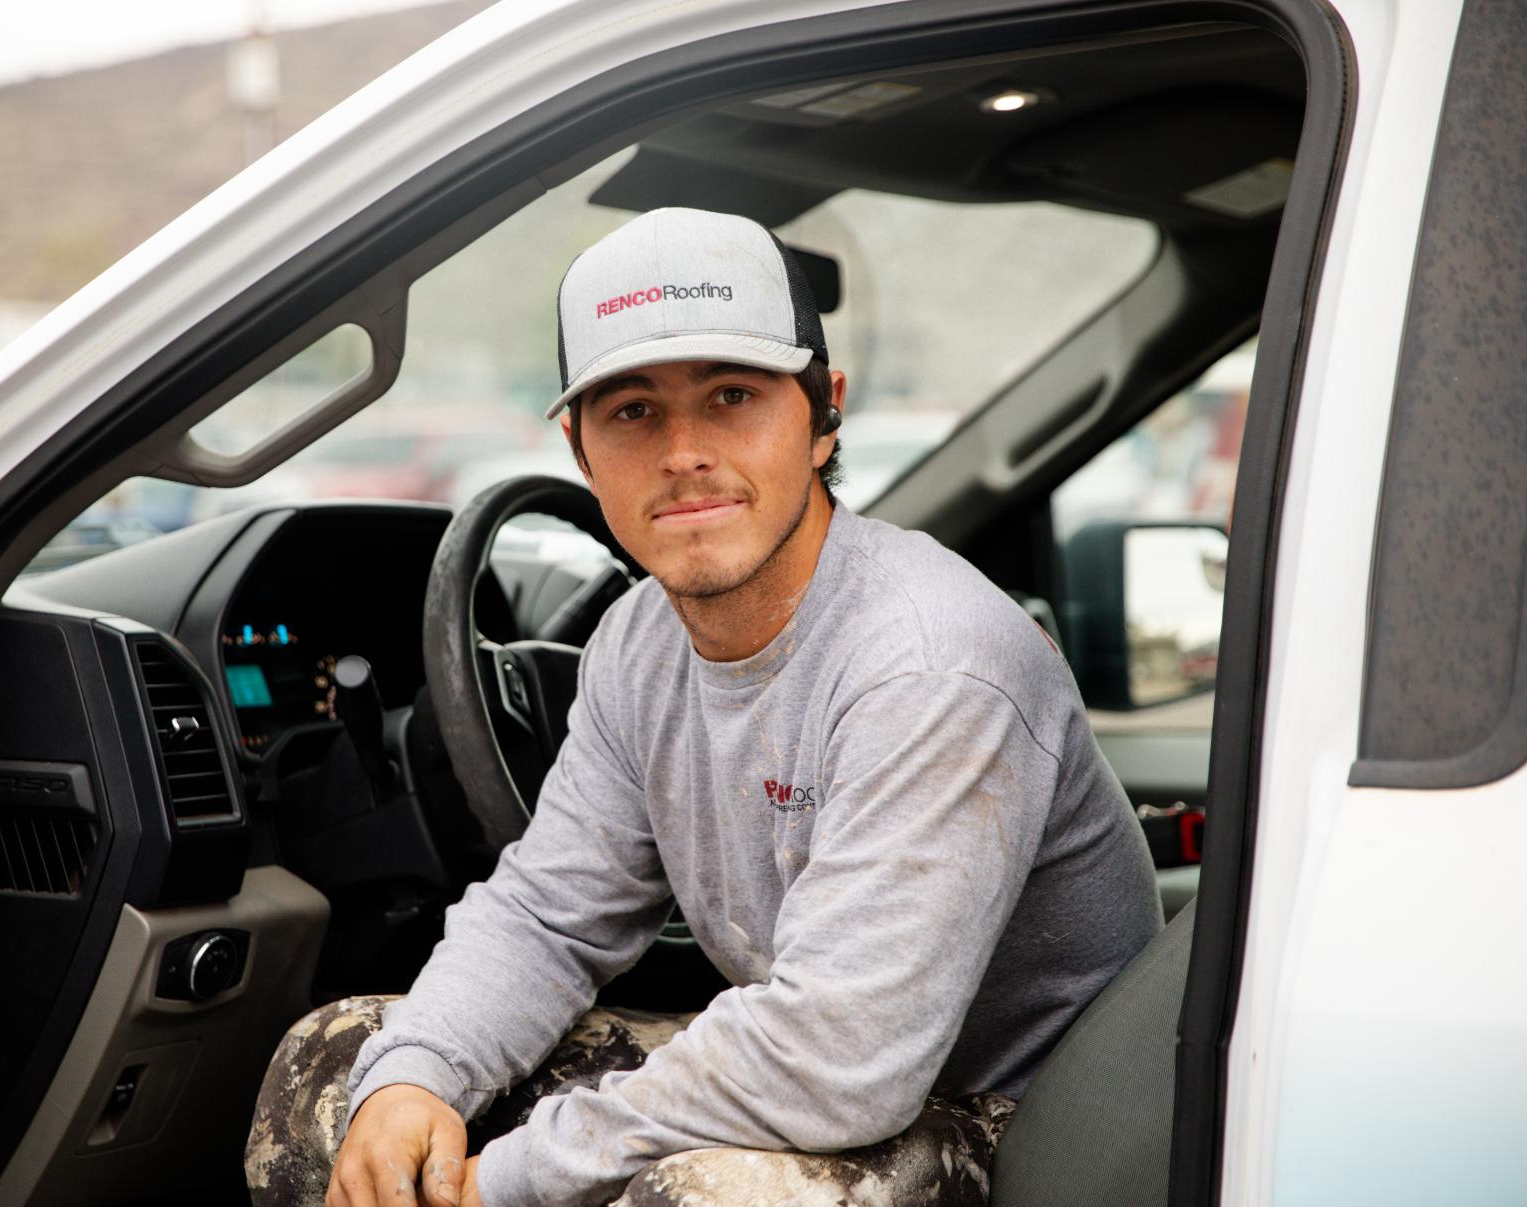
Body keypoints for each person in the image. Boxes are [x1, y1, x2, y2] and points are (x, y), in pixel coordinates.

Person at [246, 206, 1161, 1207]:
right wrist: (416, 1077)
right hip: (832, 1062)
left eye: (732, 394)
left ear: (824, 418)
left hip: (1034, 1123)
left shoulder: (932, 663)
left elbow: (835, 1055)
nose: (683, 449)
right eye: (632, 409)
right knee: (337, 1071)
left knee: (701, 1194)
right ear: (580, 448)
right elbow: (551, 914)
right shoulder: (639, 643)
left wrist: (500, 1177)